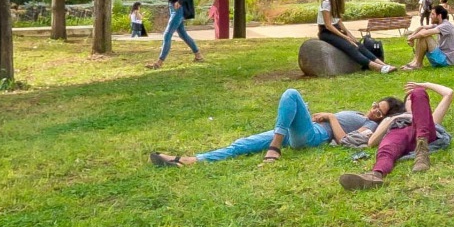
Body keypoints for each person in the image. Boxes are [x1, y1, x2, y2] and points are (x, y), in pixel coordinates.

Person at [150, 89, 398, 165]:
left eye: (381, 112)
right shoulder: (359, 112)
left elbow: (347, 141)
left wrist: (332, 118)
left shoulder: (369, 125)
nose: (375, 110)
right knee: (243, 144)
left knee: (291, 94)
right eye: (377, 105)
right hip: (300, 131)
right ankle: (191, 160)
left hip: (313, 137)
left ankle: (274, 149)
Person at [339, 81, 454, 189]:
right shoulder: (393, 119)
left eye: (416, 100)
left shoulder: (429, 118)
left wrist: (424, 85)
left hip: (424, 133)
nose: (414, 101)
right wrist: (393, 118)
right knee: (388, 147)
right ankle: (375, 175)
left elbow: (449, 93)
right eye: (410, 99)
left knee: (419, 91)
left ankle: (422, 154)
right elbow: (371, 142)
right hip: (398, 132)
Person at [317, 0, 397, 73]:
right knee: (351, 46)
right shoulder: (326, 4)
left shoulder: (336, 4)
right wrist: (345, 37)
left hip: (337, 30)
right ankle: (377, 67)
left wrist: (349, 34)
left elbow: (339, 22)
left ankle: (383, 65)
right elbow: (328, 26)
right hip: (326, 33)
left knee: (359, 45)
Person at [158, 0, 204, 65]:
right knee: (182, 33)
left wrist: (181, 1)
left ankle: (159, 62)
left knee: (167, 34)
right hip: (172, 8)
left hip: (181, 9)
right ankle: (198, 55)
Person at [407, 1, 454, 67]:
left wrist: (412, 38)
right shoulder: (439, 24)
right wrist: (412, 36)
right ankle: (415, 61)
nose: (430, 16)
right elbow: (421, 27)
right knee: (423, 32)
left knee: (425, 36)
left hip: (448, 61)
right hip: (442, 56)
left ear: (439, 16)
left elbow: (424, 34)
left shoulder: (446, 25)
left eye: (432, 14)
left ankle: (418, 64)